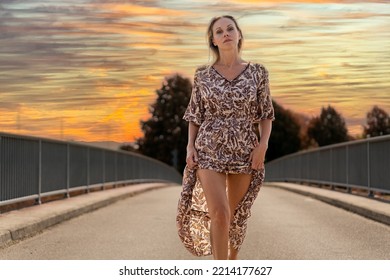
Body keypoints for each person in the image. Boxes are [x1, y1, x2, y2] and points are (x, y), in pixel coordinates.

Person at [176, 15, 274, 260]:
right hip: (209, 149)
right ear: (214, 41)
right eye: (219, 32)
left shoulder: (258, 73)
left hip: (244, 150)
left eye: (230, 29)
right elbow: (195, 115)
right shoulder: (202, 76)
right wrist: (190, 147)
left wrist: (263, 145)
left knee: (235, 216)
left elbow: (266, 114)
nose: (226, 33)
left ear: (239, 34)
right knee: (219, 213)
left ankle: (232, 259)